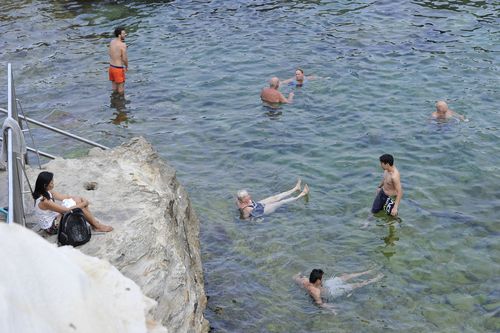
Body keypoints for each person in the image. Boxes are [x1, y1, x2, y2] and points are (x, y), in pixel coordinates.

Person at [32, 171, 113, 234]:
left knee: (78, 201)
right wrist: (83, 204)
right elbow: (65, 210)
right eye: (51, 182)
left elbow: (65, 197)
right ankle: (96, 225)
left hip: (55, 217)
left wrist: (80, 198)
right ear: (45, 185)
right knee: (79, 207)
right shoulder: (44, 200)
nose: (53, 183)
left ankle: (94, 223)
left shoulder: (47, 191)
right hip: (52, 227)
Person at [294, 268, 384, 314]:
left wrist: (298, 274)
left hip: (325, 286)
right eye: (321, 278)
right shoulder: (315, 292)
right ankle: (374, 279)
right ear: (318, 280)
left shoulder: (304, 281)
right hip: (330, 292)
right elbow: (320, 304)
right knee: (354, 286)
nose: (322, 278)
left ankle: (365, 272)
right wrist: (332, 309)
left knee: (343, 278)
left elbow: (295, 277)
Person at [236, 179, 308, 219]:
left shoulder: (239, 201)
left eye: (248, 194)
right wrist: (257, 221)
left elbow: (237, 200)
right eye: (247, 196)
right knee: (280, 202)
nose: (249, 196)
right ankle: (302, 195)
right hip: (262, 211)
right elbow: (246, 218)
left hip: (257, 205)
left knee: (275, 197)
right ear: (243, 199)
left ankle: (295, 188)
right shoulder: (246, 209)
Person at [108, 26, 128, 95]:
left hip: (111, 67)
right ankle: (120, 104)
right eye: (123, 34)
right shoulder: (123, 45)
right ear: (119, 35)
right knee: (121, 89)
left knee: (114, 87)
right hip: (118, 69)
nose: (125, 35)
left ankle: (114, 100)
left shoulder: (112, 42)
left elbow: (109, 53)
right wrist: (126, 66)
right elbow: (124, 59)